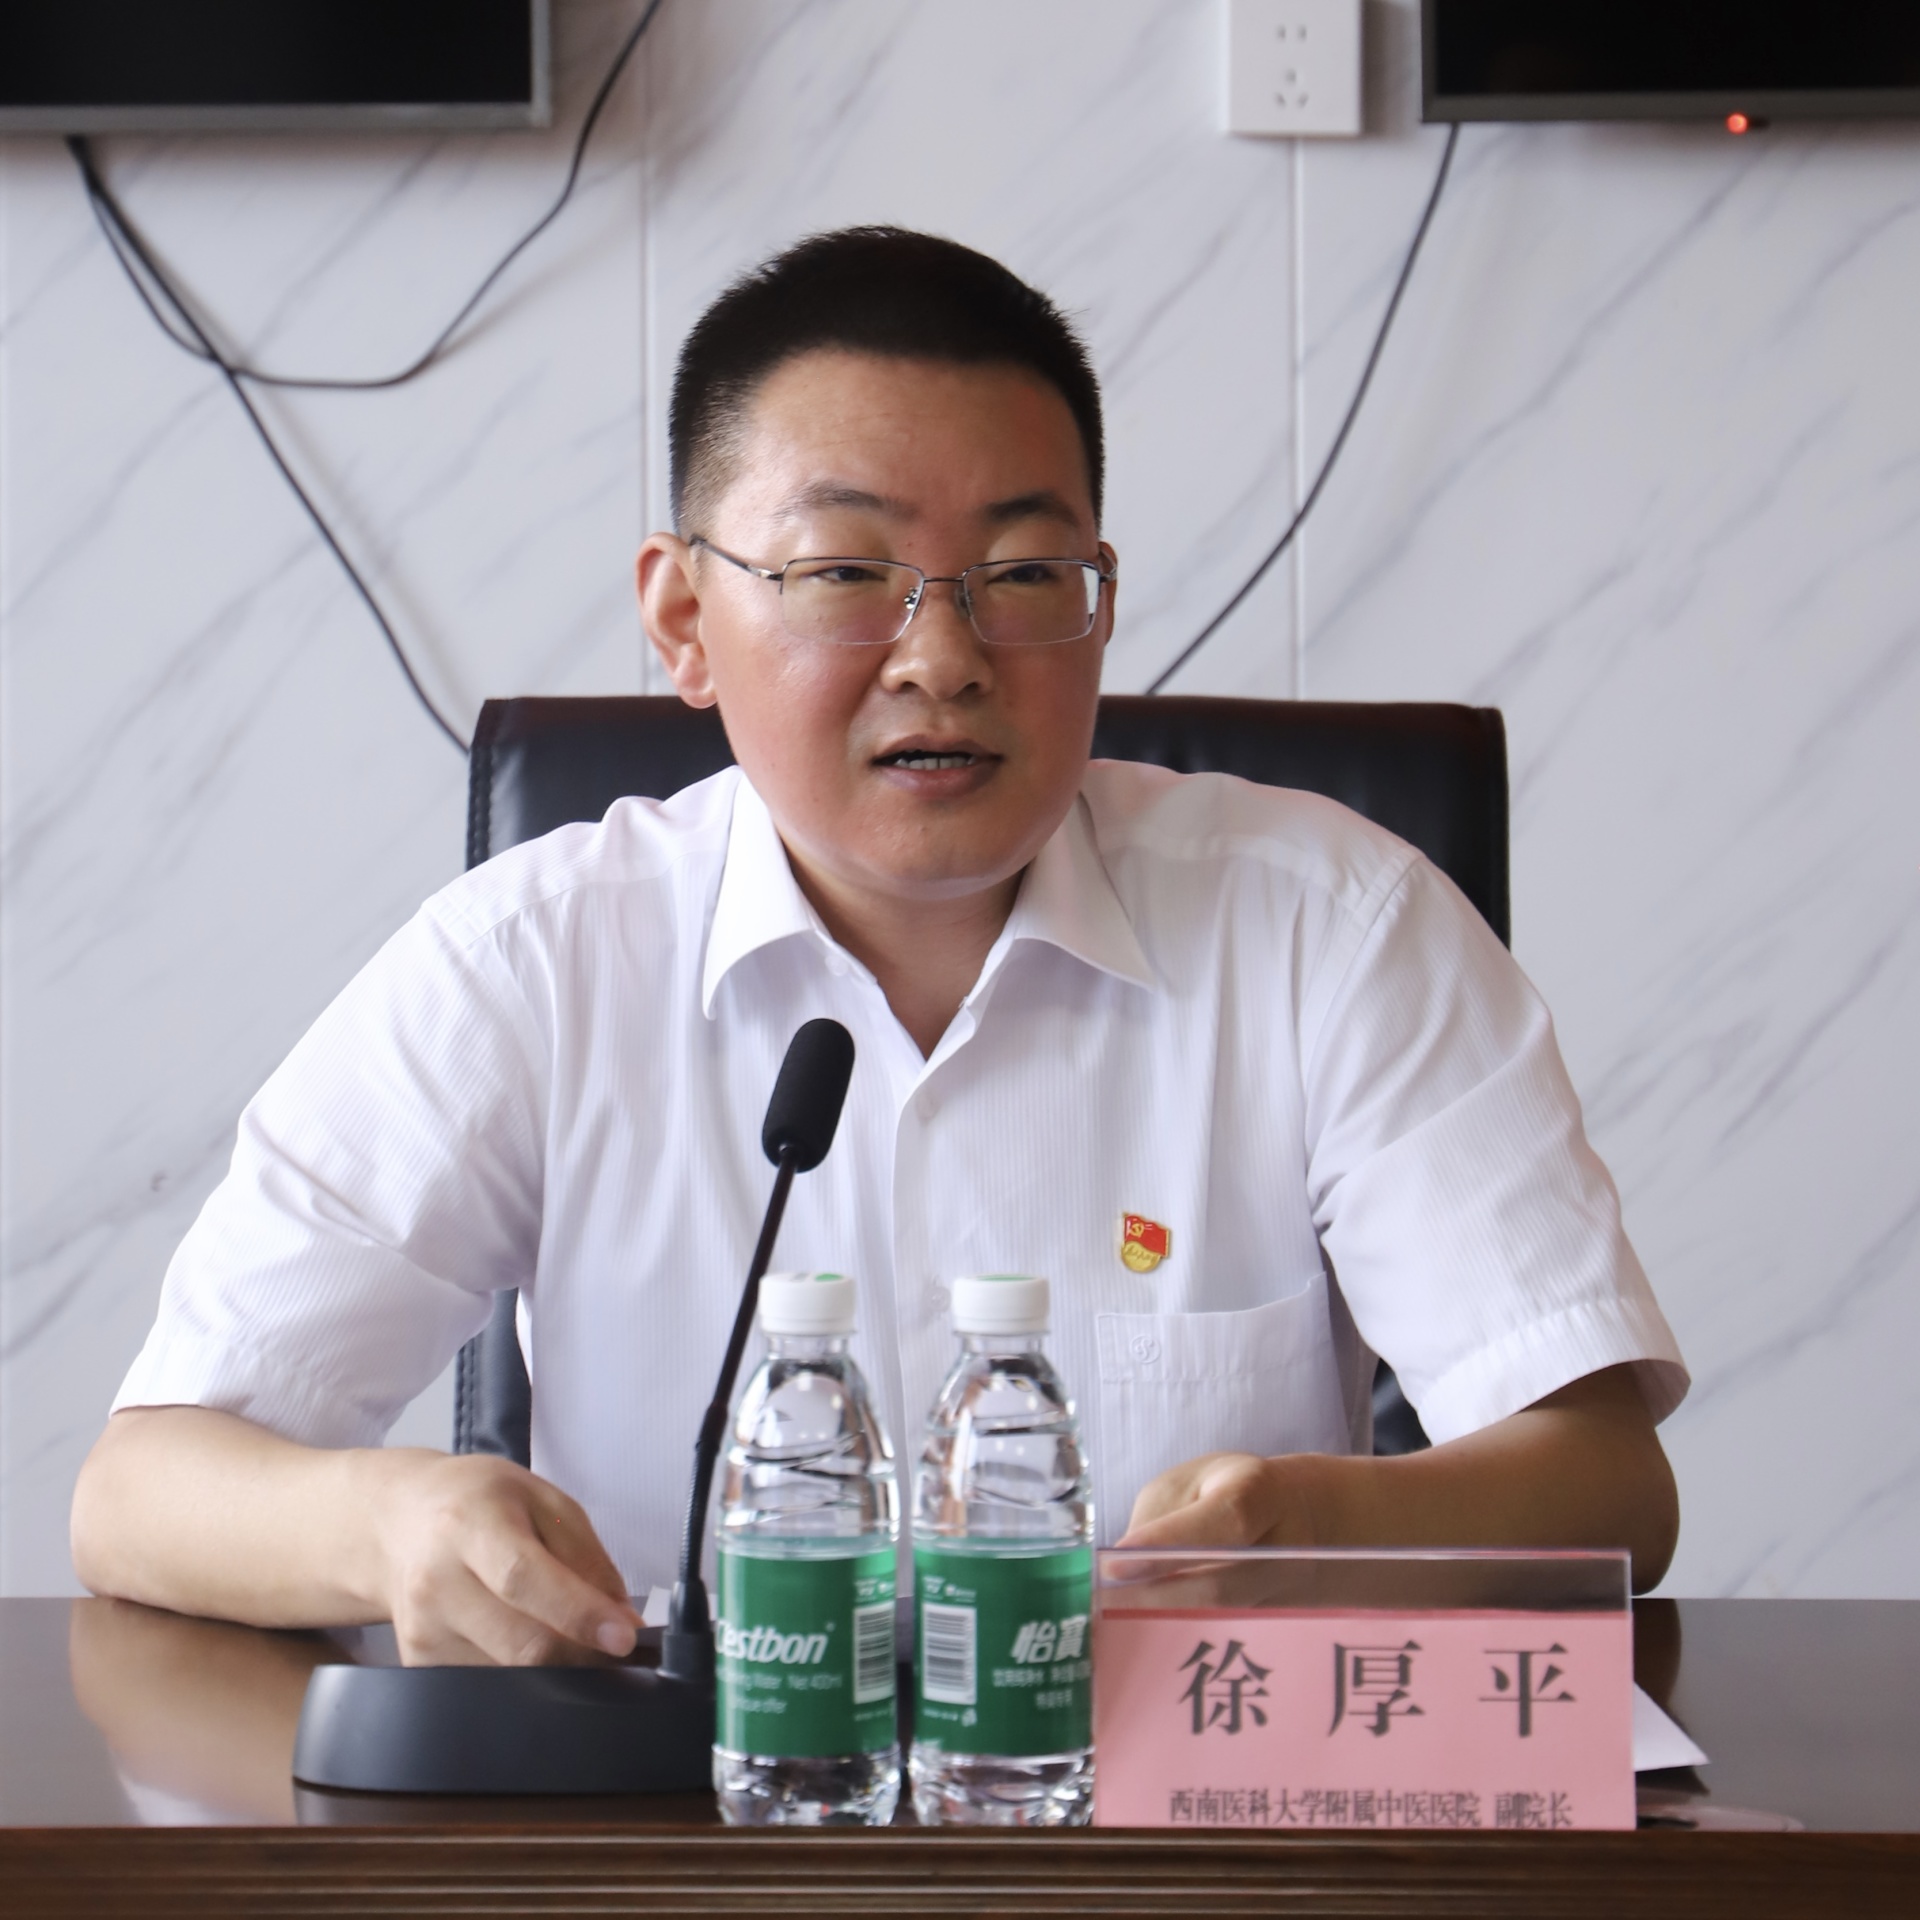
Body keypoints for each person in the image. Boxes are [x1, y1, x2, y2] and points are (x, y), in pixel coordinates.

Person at [72, 228, 1686, 1667]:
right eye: (847, 573)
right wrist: (392, 1528)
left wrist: (1322, 1530)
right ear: (685, 621)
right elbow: (141, 1491)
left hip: (1167, 1833)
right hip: (677, 1833)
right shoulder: (532, 965)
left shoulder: (1335, 930)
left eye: (1023, 576)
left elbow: (1609, 1482)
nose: (944, 656)